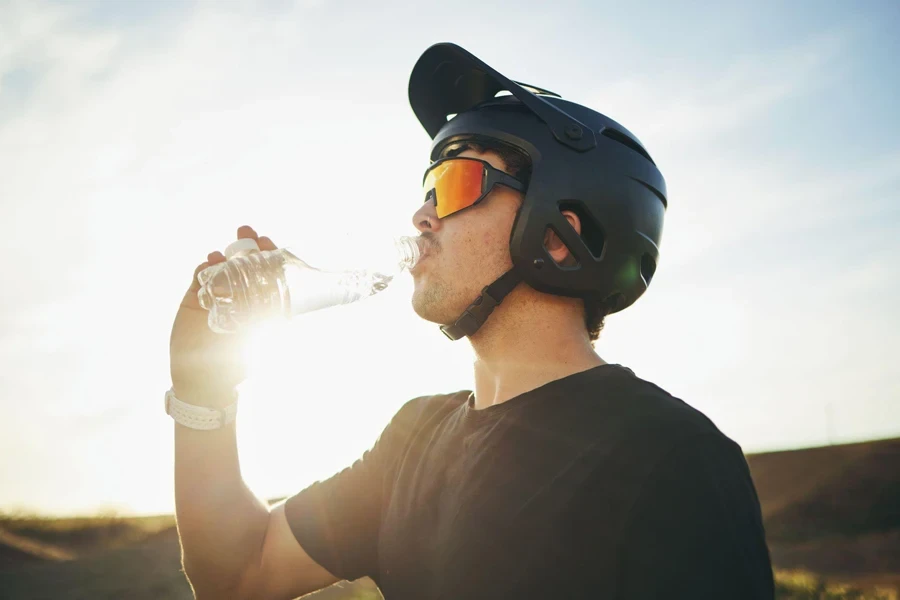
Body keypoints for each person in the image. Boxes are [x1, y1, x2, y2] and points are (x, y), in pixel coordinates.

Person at [168, 43, 775, 599]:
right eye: (429, 186)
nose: (421, 216)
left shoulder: (674, 458)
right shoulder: (414, 437)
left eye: (455, 182)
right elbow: (240, 573)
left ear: (561, 233)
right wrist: (203, 389)